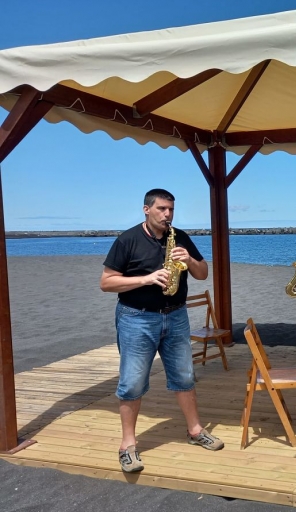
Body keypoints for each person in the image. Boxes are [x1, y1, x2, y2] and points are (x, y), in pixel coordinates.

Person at [100, 188, 224, 473]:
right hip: (137, 318)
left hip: (176, 315)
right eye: (161, 209)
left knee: (184, 375)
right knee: (132, 382)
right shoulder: (127, 240)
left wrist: (190, 260)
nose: (167, 214)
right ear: (146, 209)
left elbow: (203, 273)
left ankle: (196, 431)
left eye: (171, 209)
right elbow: (106, 283)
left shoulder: (179, 237)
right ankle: (127, 446)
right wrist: (146, 279)